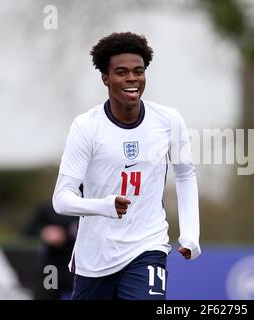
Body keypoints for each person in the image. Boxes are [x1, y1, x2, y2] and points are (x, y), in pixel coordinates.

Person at [52, 32, 200, 300]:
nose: (132, 79)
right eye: (121, 72)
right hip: (95, 257)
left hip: (148, 246)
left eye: (138, 71)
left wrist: (190, 232)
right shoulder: (86, 127)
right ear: (105, 78)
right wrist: (104, 206)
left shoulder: (168, 120)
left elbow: (185, 173)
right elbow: (61, 200)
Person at [23, 201, 78, 300]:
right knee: (48, 295)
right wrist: (44, 232)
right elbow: (28, 229)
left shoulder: (86, 208)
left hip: (78, 267)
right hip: (52, 266)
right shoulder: (49, 208)